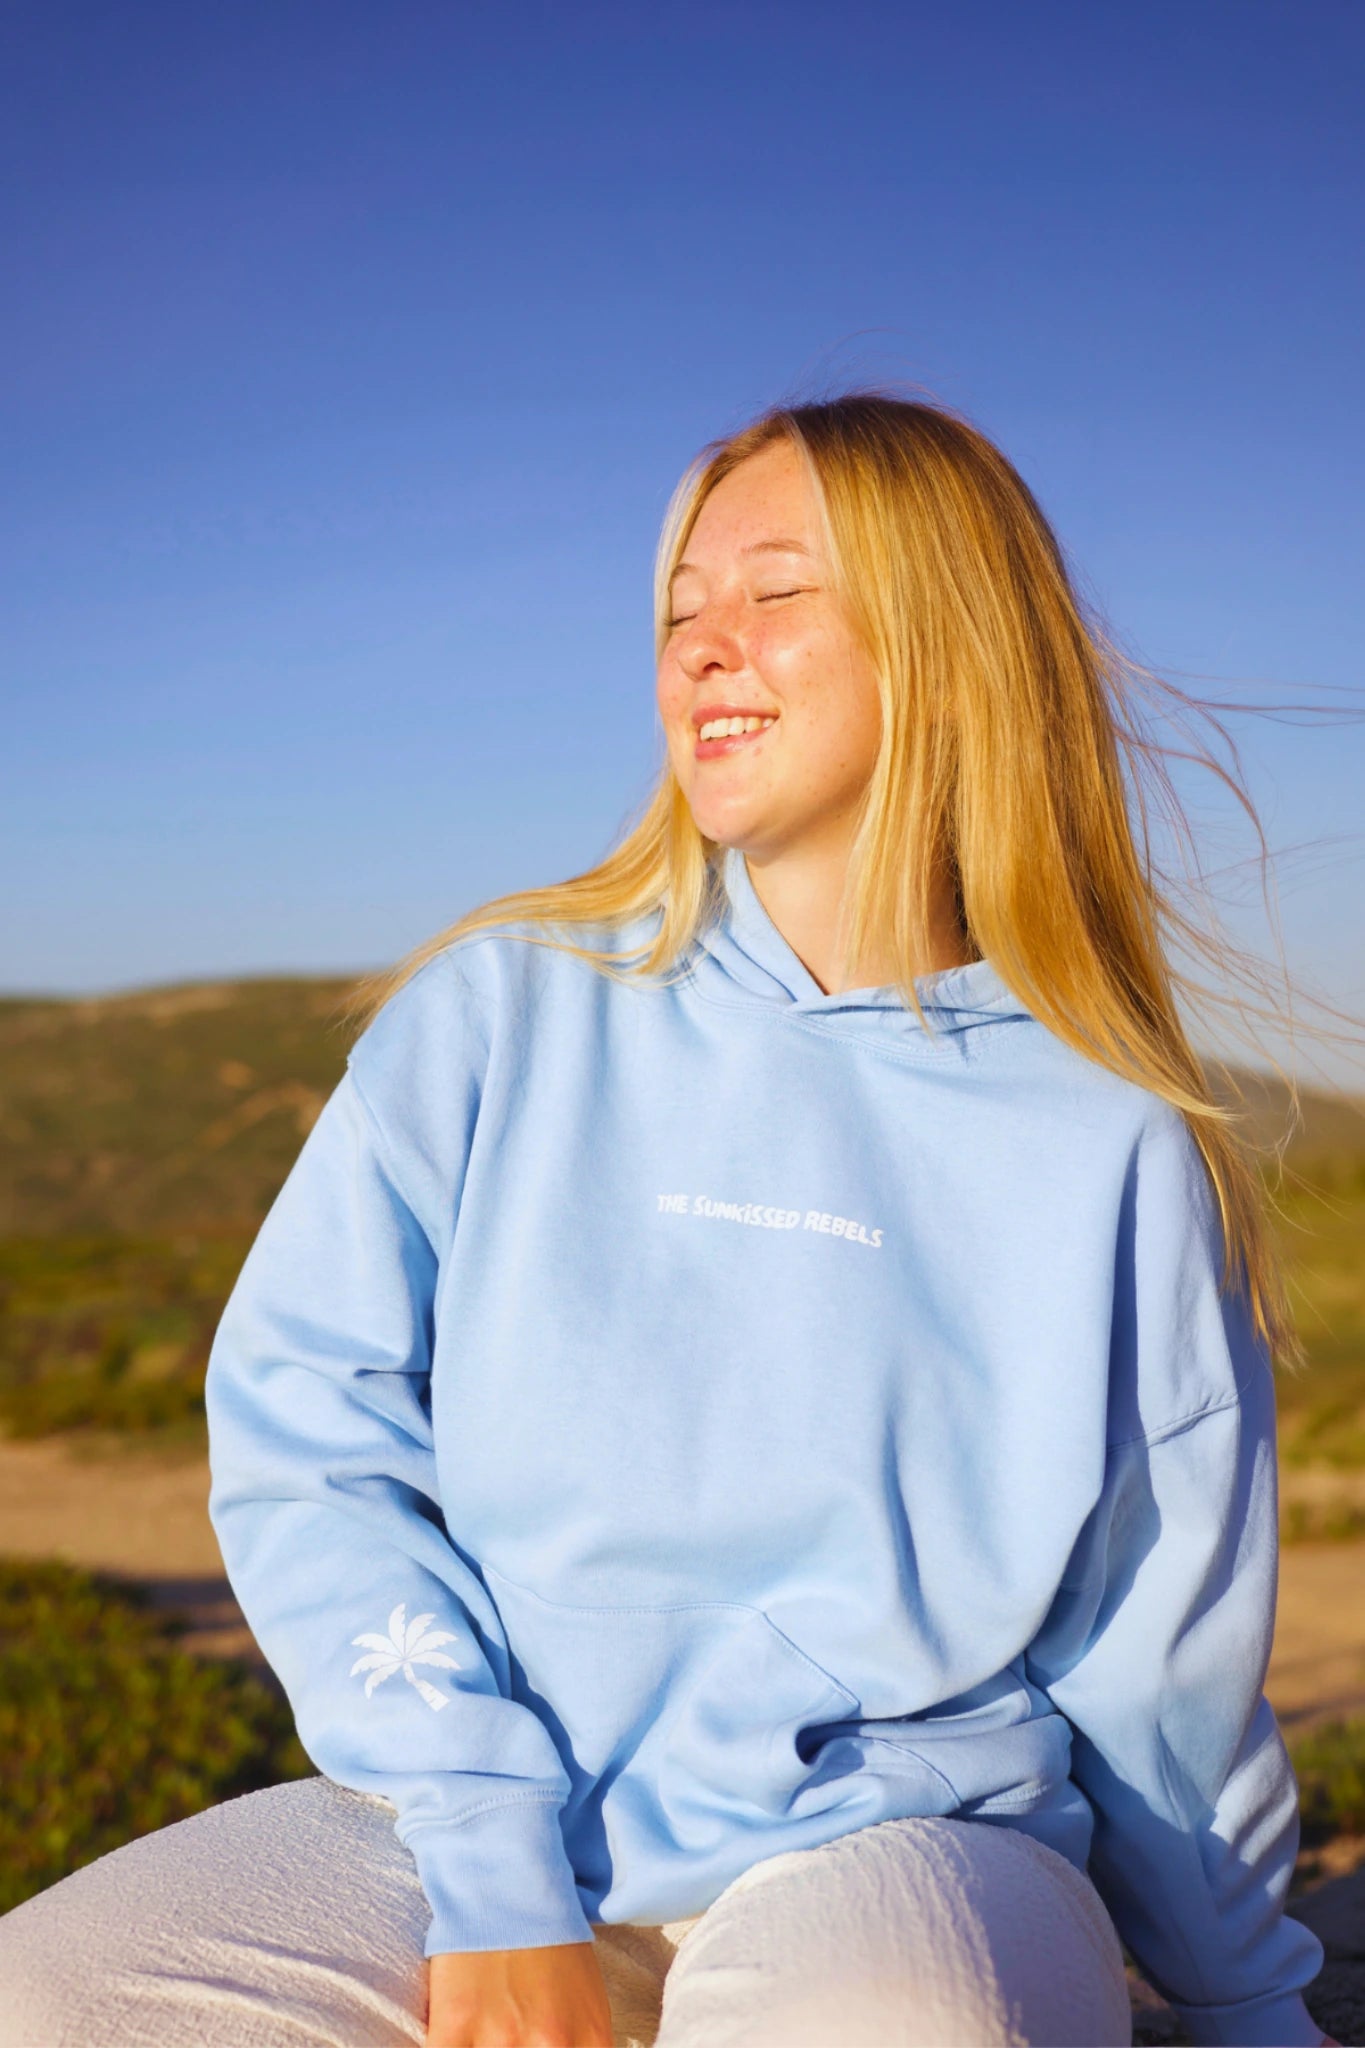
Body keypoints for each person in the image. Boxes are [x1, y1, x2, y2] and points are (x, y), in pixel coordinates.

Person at [0, 392, 1341, 2048]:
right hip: (467, 1815)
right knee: (47, 2003)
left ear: (953, 648)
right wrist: (489, 1856)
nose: (706, 643)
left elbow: (1155, 1637)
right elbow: (307, 1433)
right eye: (678, 608)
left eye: (775, 592)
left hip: (899, 1841)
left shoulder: (1107, 1133)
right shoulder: (500, 1013)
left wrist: (1245, 1997)